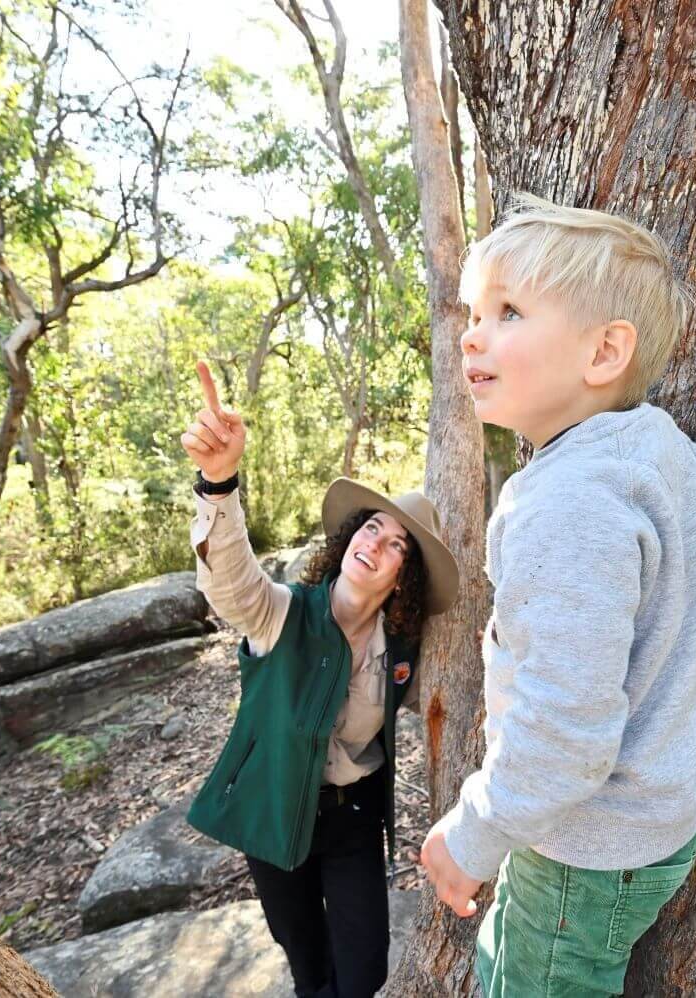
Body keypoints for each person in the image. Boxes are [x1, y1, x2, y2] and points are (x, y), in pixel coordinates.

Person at [418, 193, 696, 996]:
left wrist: (471, 836)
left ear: (605, 352)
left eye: (508, 312)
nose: (472, 333)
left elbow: (566, 728)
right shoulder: (653, 447)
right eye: (474, 312)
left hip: (581, 841)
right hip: (652, 816)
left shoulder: (565, 503)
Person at [178, 360, 459, 998]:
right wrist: (218, 484)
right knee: (307, 965)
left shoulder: (404, 652)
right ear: (348, 539)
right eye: (372, 528)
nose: (377, 545)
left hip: (353, 817)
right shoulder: (281, 614)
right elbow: (229, 581)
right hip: (276, 810)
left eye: (397, 547)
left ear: (401, 578)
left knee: (362, 973)